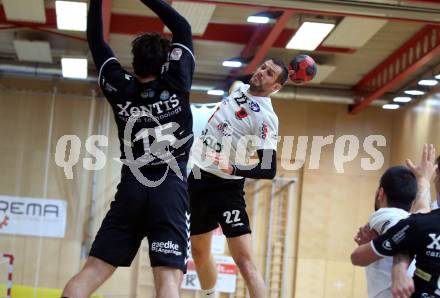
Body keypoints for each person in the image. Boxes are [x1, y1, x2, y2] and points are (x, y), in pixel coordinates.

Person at [62, 0, 195, 297]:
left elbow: (96, 39)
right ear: (165, 64)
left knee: (93, 271)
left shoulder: (118, 85)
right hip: (169, 191)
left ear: (133, 64)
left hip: (132, 189)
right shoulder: (176, 81)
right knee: (168, 281)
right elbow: (182, 28)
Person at [188, 59, 289, 298]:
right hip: (199, 178)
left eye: (269, 74)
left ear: (276, 87)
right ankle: (209, 296)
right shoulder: (241, 88)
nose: (262, 73)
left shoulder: (266, 118)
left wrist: (232, 168)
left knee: (244, 262)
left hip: (226, 188)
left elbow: (269, 169)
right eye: (263, 67)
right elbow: (237, 83)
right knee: (199, 252)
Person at [351, 148, 440, 298]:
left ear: (381, 193)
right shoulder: (420, 221)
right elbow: (421, 218)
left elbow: (404, 228)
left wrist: (397, 266)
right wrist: (423, 179)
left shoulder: (386, 215)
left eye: (436, 176)